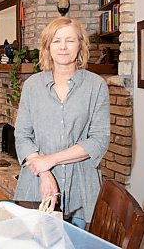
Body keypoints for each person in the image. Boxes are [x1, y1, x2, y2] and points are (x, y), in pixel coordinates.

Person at [14, 16, 110, 228]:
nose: (63, 47)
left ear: (80, 45)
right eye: (56, 41)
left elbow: (99, 140)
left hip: (81, 190)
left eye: (70, 40)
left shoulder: (96, 86)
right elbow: (22, 135)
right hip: (36, 186)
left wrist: (51, 160)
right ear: (48, 46)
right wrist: (45, 171)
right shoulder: (32, 85)